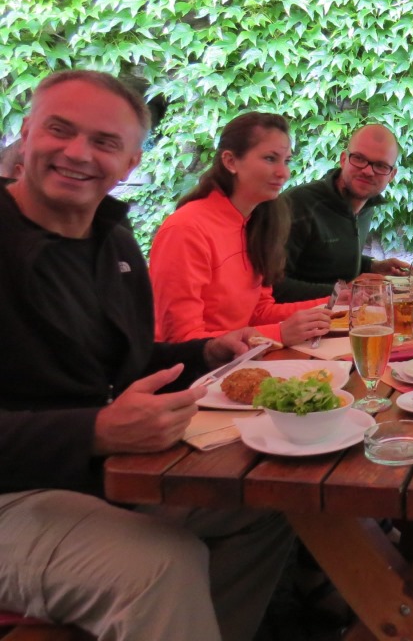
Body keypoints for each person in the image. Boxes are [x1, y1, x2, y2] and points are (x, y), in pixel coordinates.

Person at [0, 70, 293, 640]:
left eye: (105, 142)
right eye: (60, 130)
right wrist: (97, 431)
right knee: (159, 566)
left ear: (131, 163)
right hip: (18, 494)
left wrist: (207, 349)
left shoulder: (110, 239)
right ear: (27, 134)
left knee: (271, 507)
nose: (78, 153)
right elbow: (98, 412)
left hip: (104, 479)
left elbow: (125, 362)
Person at [149, 112, 332, 346]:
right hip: (194, 374)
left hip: (242, 360)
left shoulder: (257, 222)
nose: (283, 173)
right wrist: (279, 334)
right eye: (269, 158)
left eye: (286, 161)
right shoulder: (186, 229)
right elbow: (182, 341)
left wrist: (334, 303)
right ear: (230, 161)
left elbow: (259, 313)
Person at [273, 123, 409, 302]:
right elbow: (272, 287)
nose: (368, 171)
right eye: (359, 158)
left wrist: (371, 266)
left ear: (391, 175)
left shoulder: (366, 206)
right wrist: (345, 291)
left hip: (346, 319)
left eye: (381, 166)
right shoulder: (297, 205)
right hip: (302, 324)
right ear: (343, 159)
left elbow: (326, 260)